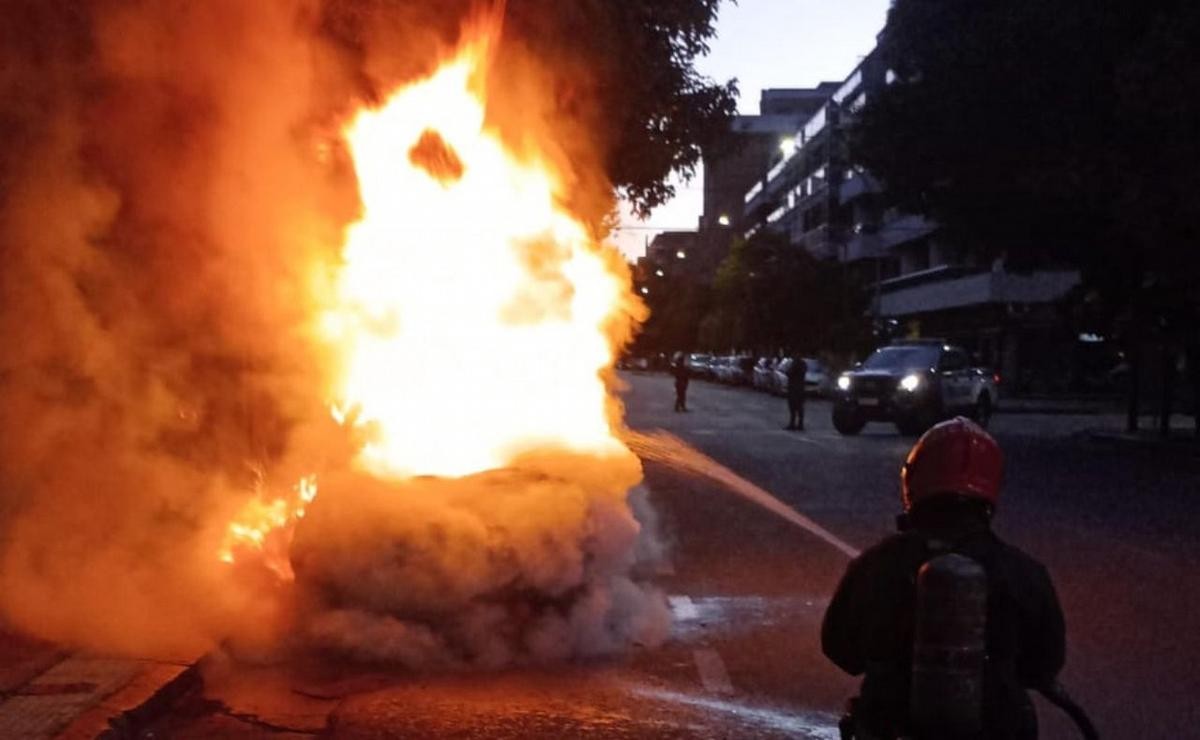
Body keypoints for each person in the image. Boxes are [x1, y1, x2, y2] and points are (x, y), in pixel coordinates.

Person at [822, 417, 1066, 739]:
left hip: (889, 727)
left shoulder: (877, 565)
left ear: (915, 480)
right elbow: (1043, 666)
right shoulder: (1023, 573)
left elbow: (840, 649)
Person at [785, 356, 808, 430]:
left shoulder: (795, 364)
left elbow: (789, 373)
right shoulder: (803, 364)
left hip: (794, 388)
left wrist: (788, 369)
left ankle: (793, 424)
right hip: (801, 388)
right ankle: (800, 424)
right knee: (800, 407)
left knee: (793, 407)